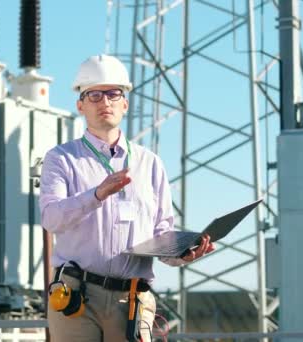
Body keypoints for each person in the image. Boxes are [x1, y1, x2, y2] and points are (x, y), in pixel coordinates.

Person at [39, 54, 215, 342]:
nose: (104, 102)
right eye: (94, 95)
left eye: (113, 94)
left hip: (132, 299)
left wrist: (182, 254)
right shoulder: (61, 159)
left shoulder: (150, 163)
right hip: (76, 296)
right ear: (80, 105)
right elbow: (51, 218)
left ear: (125, 103)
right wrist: (97, 194)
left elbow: (161, 234)